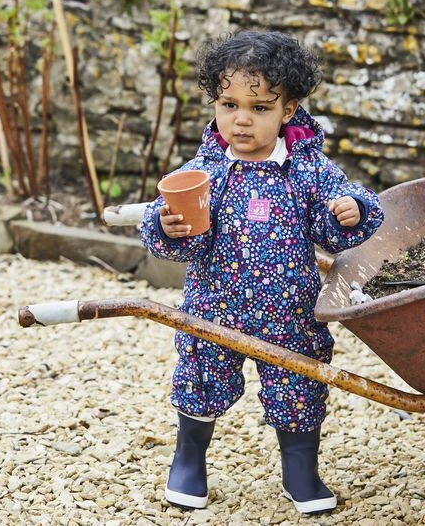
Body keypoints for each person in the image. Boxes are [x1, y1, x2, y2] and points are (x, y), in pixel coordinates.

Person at [140, 30, 384, 515]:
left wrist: (349, 211)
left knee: (299, 387)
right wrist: (168, 227)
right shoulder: (205, 170)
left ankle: (300, 471)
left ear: (288, 110)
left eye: (259, 107)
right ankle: (188, 459)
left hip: (290, 311)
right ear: (215, 103)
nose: (241, 119)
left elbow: (341, 216)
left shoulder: (307, 169)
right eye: (228, 104)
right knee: (200, 376)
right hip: (215, 306)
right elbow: (175, 230)